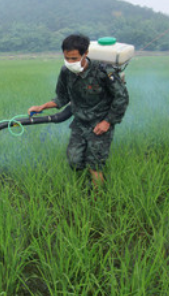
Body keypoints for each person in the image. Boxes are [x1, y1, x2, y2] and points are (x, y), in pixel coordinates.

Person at [27, 34, 129, 188]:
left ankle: (97, 196)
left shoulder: (103, 72)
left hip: (100, 124)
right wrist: (42, 107)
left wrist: (107, 122)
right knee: (74, 161)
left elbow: (121, 98)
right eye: (67, 58)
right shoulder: (66, 71)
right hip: (80, 122)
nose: (70, 62)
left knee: (95, 163)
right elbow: (61, 97)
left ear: (85, 54)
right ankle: (84, 184)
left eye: (74, 58)